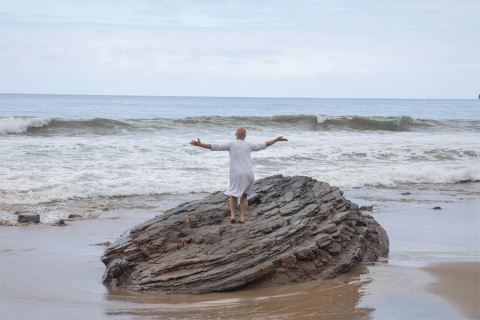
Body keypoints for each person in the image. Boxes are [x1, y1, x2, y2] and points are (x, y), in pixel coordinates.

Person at [190, 126, 288, 223]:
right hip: (249, 173)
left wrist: (200, 144)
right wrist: (276, 139)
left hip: (237, 173)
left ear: (236, 134)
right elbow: (264, 145)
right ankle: (242, 218)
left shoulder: (231, 144)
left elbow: (215, 146)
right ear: (245, 136)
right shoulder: (249, 144)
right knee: (244, 196)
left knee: (233, 195)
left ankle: (233, 216)